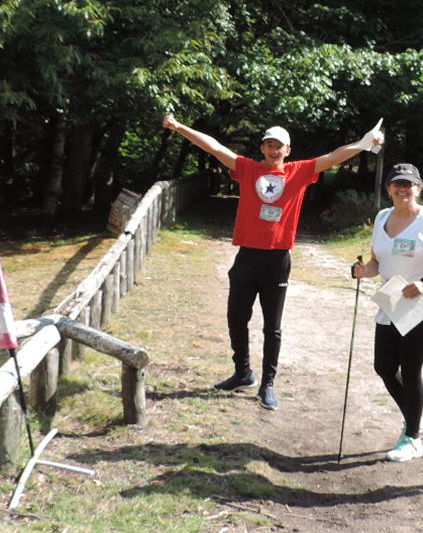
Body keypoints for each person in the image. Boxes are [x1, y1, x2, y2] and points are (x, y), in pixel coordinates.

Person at [162, 113, 383, 410]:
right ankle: (243, 372)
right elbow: (214, 147)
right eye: (269, 144)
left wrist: (365, 143)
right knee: (236, 318)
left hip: (277, 259)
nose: (274, 149)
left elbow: (333, 157)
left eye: (279, 145)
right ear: (262, 148)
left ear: (288, 150)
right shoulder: (247, 169)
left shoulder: (299, 172)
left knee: (272, 326)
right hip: (246, 255)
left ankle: (267, 383)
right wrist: (179, 127)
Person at [350, 163, 423, 462]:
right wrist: (363, 271)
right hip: (392, 300)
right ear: (388, 189)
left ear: (418, 188)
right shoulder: (382, 217)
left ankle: (412, 438)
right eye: (397, 184)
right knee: (384, 367)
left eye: (409, 184)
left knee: (410, 369)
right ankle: (416, 418)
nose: (403, 189)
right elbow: (376, 262)